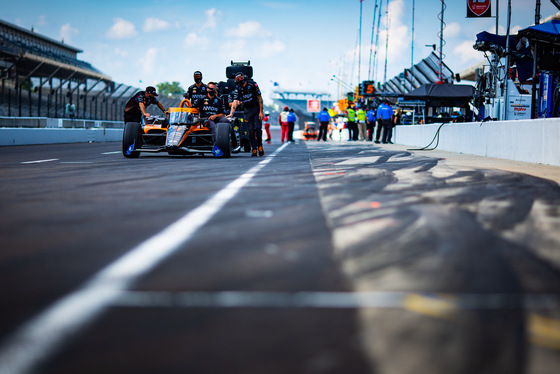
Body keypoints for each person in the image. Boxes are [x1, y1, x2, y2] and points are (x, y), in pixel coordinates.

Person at [228, 72, 265, 157]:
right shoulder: (238, 88)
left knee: (258, 129)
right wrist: (231, 114)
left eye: (242, 80)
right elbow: (234, 102)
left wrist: (261, 112)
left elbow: (260, 98)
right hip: (247, 110)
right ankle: (254, 148)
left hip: (256, 109)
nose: (242, 83)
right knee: (250, 131)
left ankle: (260, 146)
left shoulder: (253, 85)